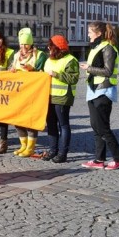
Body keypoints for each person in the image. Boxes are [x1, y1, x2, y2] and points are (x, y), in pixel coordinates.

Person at [79, 21, 119, 170]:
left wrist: (89, 68)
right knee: (96, 126)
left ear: (98, 34)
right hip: (93, 90)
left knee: (103, 127)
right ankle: (99, 159)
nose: (88, 35)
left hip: (104, 91)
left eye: (90, 32)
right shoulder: (96, 47)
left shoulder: (109, 48)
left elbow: (108, 71)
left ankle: (118, 159)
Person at [9, 28, 47, 157]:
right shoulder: (16, 55)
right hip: (18, 93)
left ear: (30, 43)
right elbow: (13, 70)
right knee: (18, 120)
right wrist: (12, 71)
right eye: (21, 44)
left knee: (30, 120)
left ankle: (30, 147)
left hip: (33, 93)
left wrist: (32, 69)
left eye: (26, 44)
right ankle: (23, 145)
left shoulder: (39, 55)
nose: (23, 47)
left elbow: (43, 74)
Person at [43, 35, 79, 163]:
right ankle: (53, 150)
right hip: (49, 96)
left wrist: (56, 74)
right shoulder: (49, 60)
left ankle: (62, 153)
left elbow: (73, 78)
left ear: (57, 47)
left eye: (50, 45)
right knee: (51, 124)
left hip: (63, 97)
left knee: (63, 125)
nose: (48, 48)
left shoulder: (71, 60)